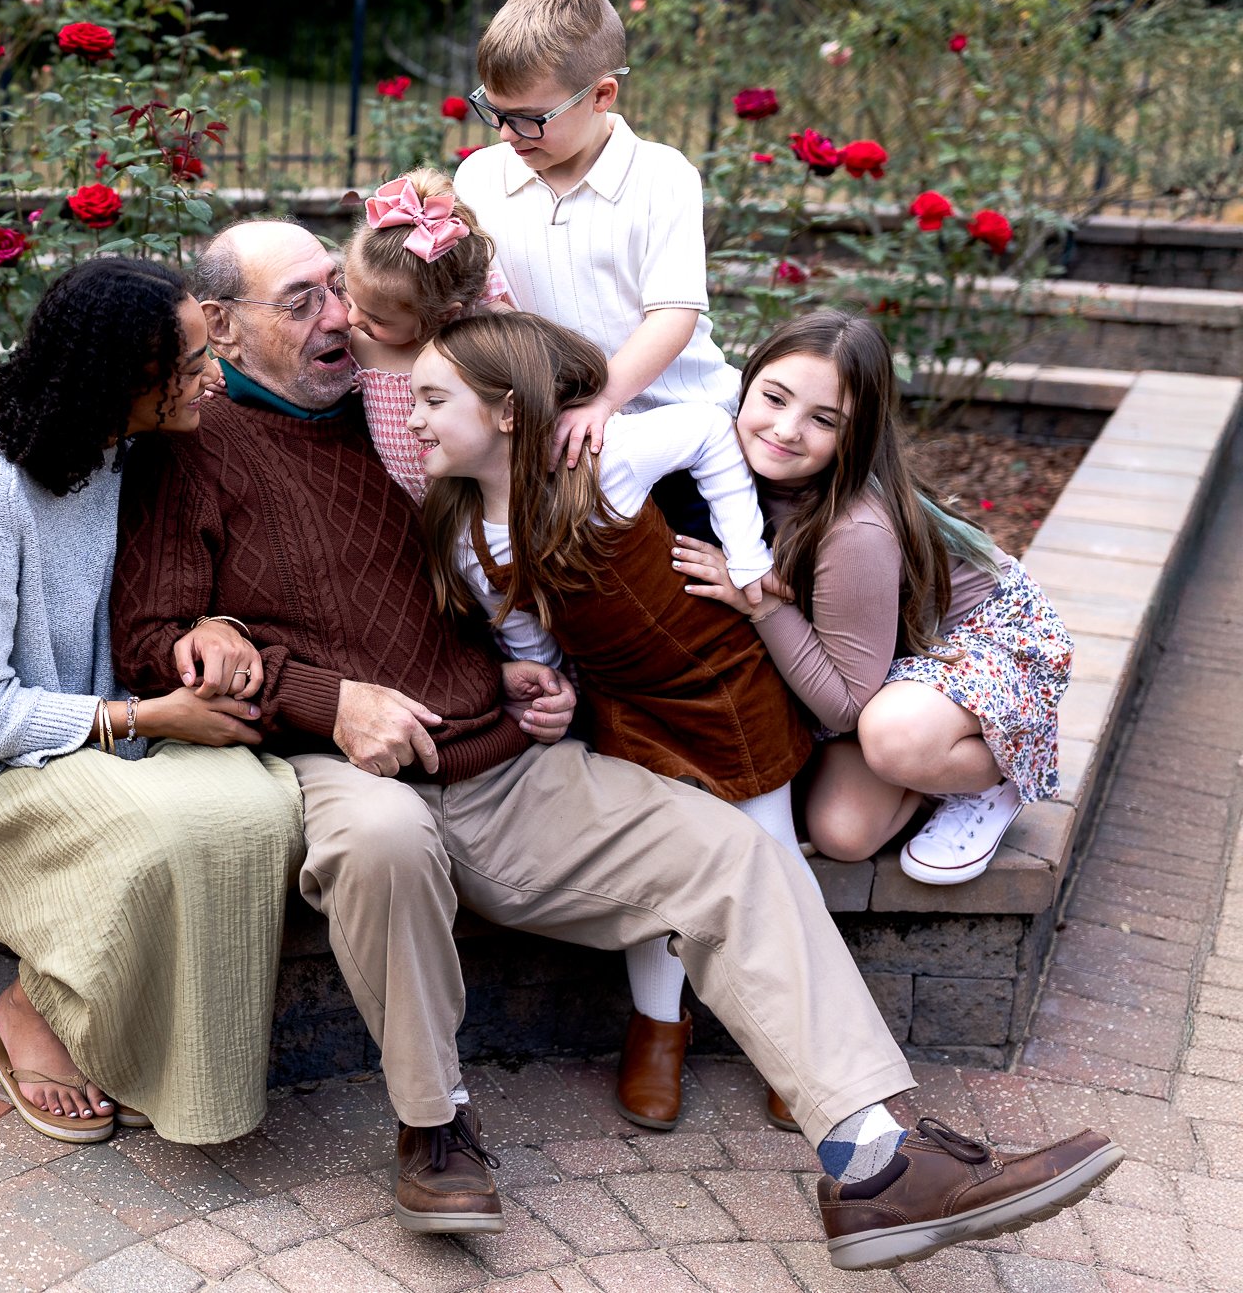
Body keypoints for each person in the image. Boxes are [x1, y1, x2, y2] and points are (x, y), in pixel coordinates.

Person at [112, 217, 1120, 1269]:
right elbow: (148, 639)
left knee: (727, 853)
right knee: (382, 843)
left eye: (340, 289)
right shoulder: (195, 447)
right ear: (218, 325)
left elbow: (473, 574)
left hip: (500, 757)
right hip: (347, 764)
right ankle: (433, 1125)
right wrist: (325, 698)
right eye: (304, 300)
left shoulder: (396, 413)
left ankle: (873, 1159)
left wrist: (517, 678)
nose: (343, 320)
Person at [0, 256, 304, 1147]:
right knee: (166, 836)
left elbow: (189, 571)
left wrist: (219, 621)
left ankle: (95, 1024)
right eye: (195, 361)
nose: (216, 373)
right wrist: (146, 718)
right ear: (130, 379)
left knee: (263, 806)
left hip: (115, 736)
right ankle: (32, 1009)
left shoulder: (131, 449)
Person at [408, 310, 812, 1130]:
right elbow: (522, 628)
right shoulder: (464, 537)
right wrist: (549, 690)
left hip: (724, 685)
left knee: (774, 858)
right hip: (628, 707)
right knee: (661, 872)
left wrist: (745, 552)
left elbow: (705, 429)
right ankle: (659, 1027)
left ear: (506, 411)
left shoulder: (605, 458)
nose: (411, 417)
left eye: (431, 398)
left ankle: (796, 1041)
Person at [673, 310, 1072, 884]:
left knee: (892, 738)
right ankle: (932, 770)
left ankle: (993, 774)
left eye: (824, 420)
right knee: (844, 834)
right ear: (746, 381)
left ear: (854, 436)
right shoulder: (722, 452)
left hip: (976, 643)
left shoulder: (853, 528)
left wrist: (761, 603)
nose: (787, 430)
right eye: (774, 398)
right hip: (876, 656)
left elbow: (844, 706)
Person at [453, 0, 741, 536]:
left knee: (690, 586)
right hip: (556, 432)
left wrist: (603, 400)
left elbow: (674, 314)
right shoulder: (481, 177)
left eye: (530, 118)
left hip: (676, 434)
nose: (508, 135)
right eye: (494, 111)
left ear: (602, 95)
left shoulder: (661, 176)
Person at [342, 167, 514, 502]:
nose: (352, 318)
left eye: (376, 318)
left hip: (471, 505)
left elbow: (545, 369)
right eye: (348, 297)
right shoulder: (355, 342)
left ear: (444, 314)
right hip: (399, 507)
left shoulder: (481, 336)